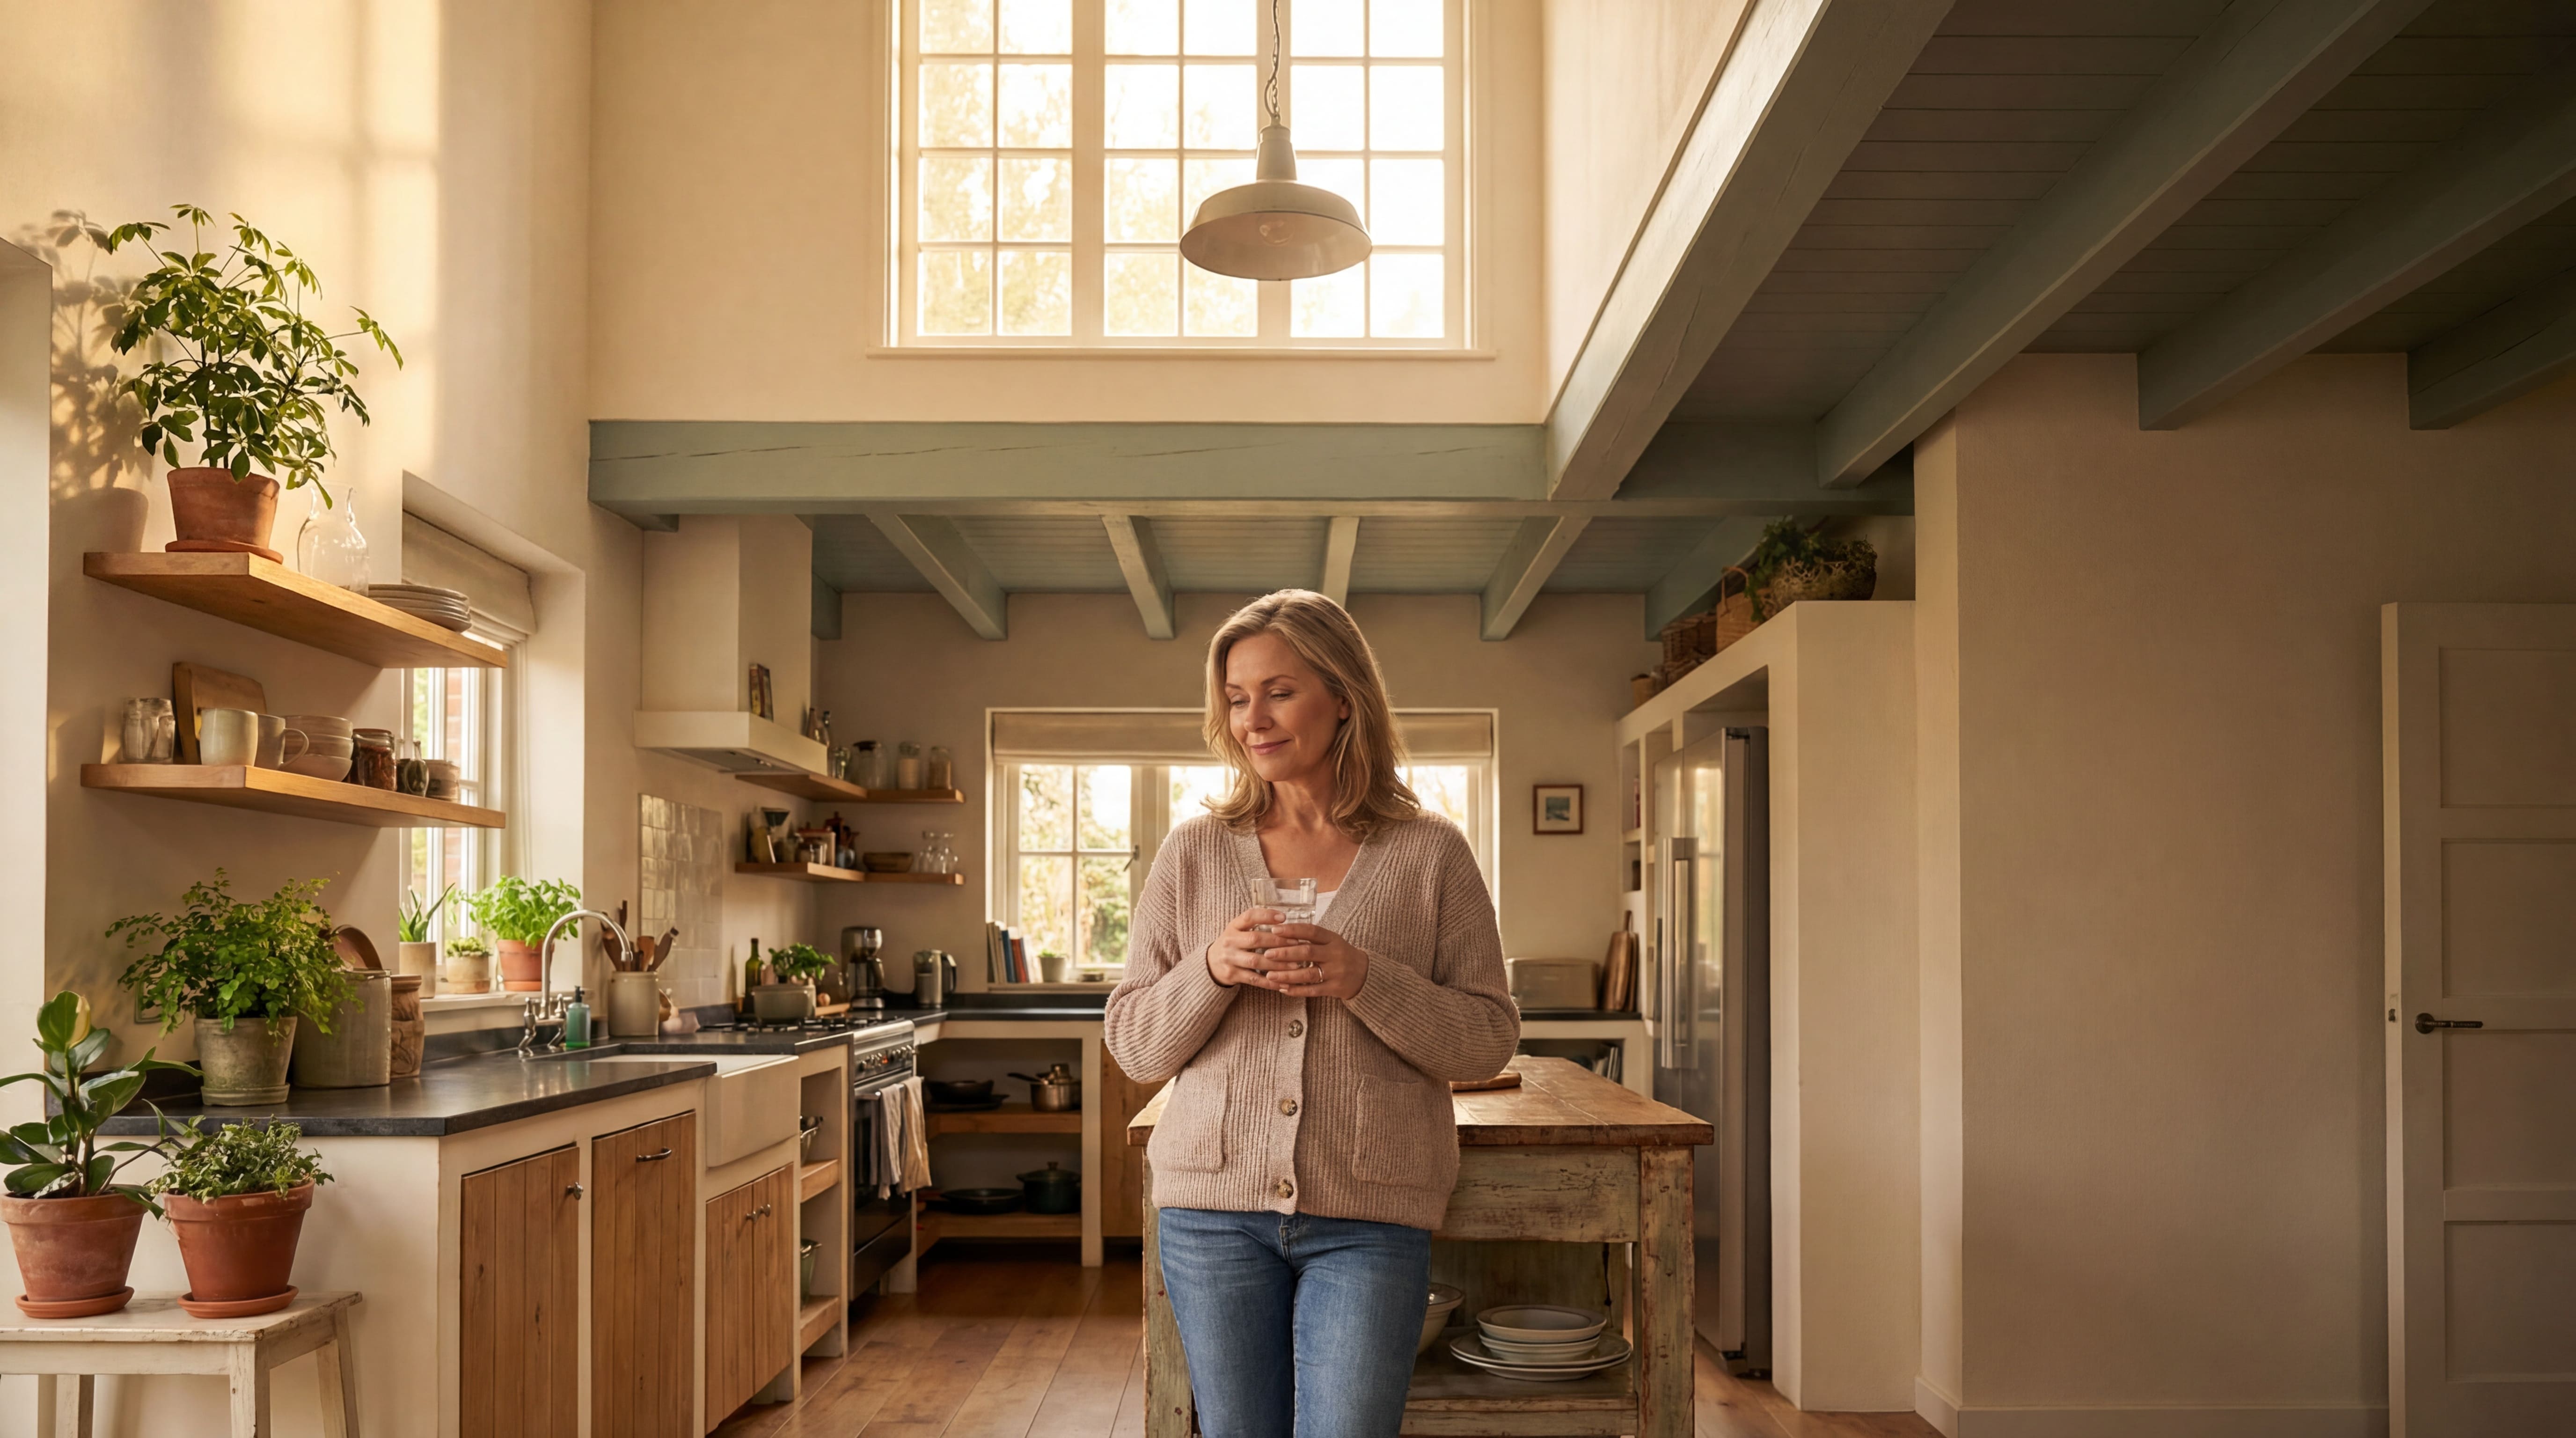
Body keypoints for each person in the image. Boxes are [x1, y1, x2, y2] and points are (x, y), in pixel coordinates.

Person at [1105, 589, 1519, 1438]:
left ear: (1344, 695)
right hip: (1212, 1214)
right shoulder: (1195, 851)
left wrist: (1368, 978)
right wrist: (1213, 969)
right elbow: (1136, 1044)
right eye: (1236, 697)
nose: (1253, 718)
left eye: (1280, 691)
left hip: (1371, 1215)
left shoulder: (1431, 851)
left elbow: (1487, 1038)